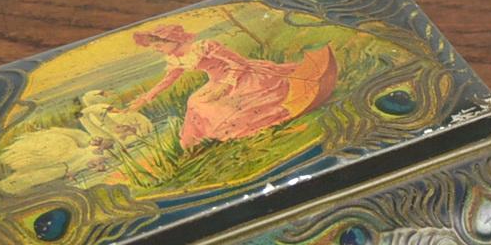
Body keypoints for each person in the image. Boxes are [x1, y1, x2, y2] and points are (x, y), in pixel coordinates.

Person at [129, 22, 338, 150]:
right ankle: (207, 139)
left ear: (174, 39)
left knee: (227, 103)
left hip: (241, 74)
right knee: (195, 101)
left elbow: (239, 62)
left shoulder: (204, 46)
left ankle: (242, 129)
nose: (158, 50)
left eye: (159, 45)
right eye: (155, 47)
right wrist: (145, 98)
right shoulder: (176, 58)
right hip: (217, 81)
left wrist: (224, 87)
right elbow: (167, 81)